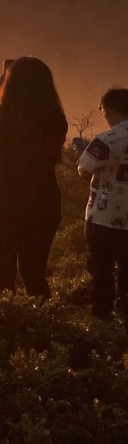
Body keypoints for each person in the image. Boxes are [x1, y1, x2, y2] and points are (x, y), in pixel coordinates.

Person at [0, 56, 67, 300]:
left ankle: (5, 333)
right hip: (42, 204)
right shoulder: (56, 120)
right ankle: (45, 331)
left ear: (10, 83)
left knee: (2, 279)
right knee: (35, 275)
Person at [73, 88, 128, 322]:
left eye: (102, 110)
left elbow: (83, 168)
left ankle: (101, 318)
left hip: (103, 218)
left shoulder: (105, 140)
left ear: (111, 110)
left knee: (101, 269)